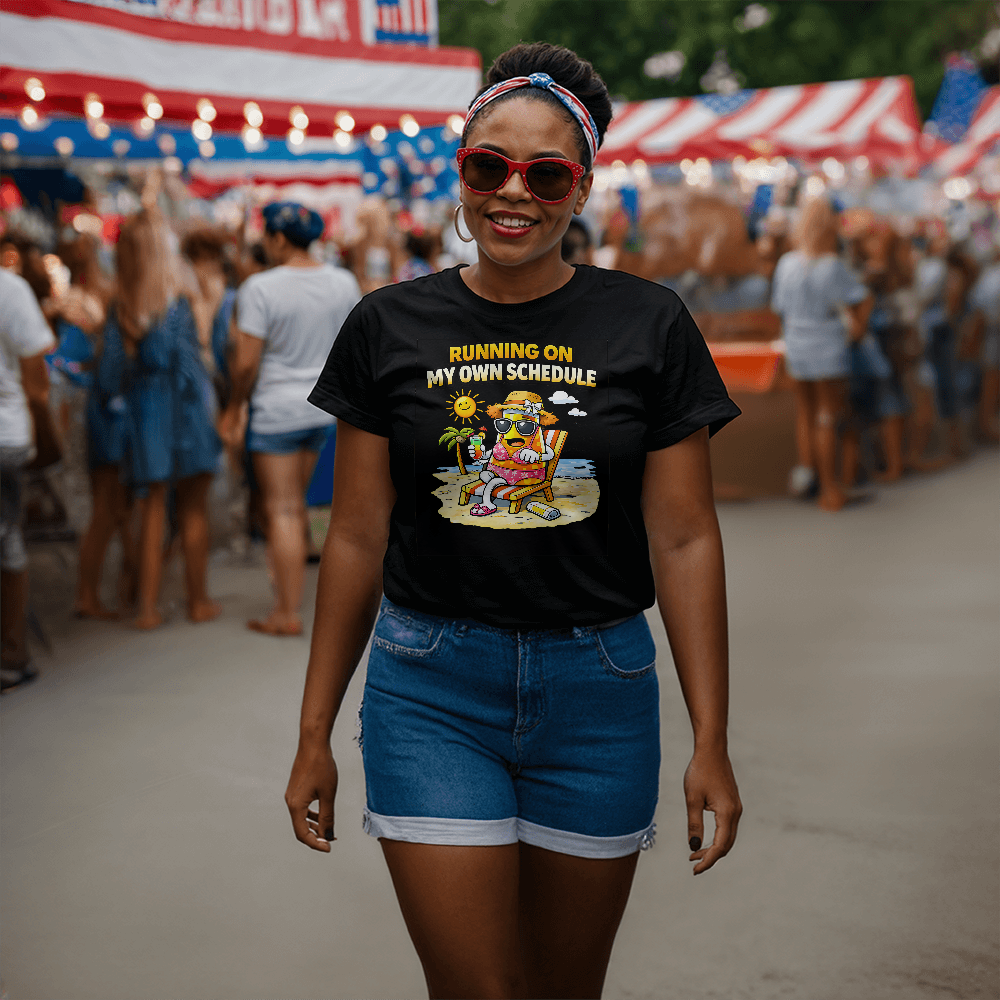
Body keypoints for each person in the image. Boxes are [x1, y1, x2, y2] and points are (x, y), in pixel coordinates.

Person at [285, 42, 743, 1000]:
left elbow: (686, 537)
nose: (513, 194)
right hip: (429, 692)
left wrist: (711, 739)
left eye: (546, 174)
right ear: (461, 169)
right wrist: (314, 729)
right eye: (489, 166)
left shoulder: (649, 323)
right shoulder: (386, 324)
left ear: (581, 188)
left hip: (601, 693)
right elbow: (359, 537)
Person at [219, 202, 360, 637]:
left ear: (278, 238)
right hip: (327, 408)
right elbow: (355, 344)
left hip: (277, 412)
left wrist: (233, 406)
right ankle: (331, 607)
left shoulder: (260, 288)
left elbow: (245, 364)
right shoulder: (343, 282)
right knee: (319, 508)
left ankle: (286, 611)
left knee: (281, 509)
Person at [116, 207, 222, 629]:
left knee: (152, 507)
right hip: (186, 407)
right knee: (193, 509)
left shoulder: (122, 299)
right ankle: (197, 601)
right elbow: (193, 361)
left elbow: (114, 371)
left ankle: (146, 608)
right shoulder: (181, 298)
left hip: (146, 412)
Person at [771, 197, 872, 510]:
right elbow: (861, 298)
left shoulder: (786, 263)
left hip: (797, 344)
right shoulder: (832, 265)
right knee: (828, 415)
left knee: (805, 412)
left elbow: (778, 308)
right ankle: (831, 488)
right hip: (827, 346)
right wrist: (857, 328)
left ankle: (810, 477)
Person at [0, 267, 58, 691]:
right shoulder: (9, 288)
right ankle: (12, 651)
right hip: (5, 433)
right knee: (7, 541)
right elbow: (37, 378)